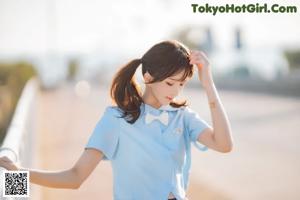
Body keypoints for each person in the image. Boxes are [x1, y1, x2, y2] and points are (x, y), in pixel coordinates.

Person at [0, 40, 233, 200]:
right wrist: (17, 175)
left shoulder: (182, 118)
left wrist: (208, 84)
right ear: (148, 77)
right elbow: (75, 177)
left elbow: (224, 145)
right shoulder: (116, 119)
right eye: (170, 83)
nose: (176, 91)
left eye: (182, 84)